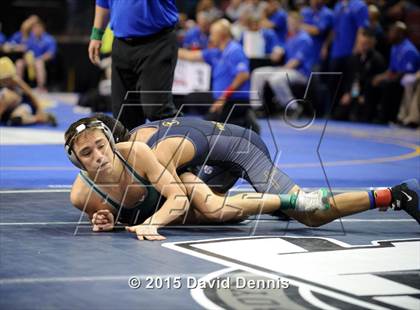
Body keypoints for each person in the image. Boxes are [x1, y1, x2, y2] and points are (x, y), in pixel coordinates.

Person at [65, 116, 420, 240]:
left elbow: (175, 201)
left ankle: (393, 195)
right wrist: (112, 218)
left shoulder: (152, 155)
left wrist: (147, 222)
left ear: (117, 143)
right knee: (201, 214)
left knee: (307, 213)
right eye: (87, 154)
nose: (99, 158)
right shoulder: (127, 153)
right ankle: (273, 205)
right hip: (203, 160)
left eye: (102, 148)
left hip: (239, 147)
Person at [88, 0, 180, 130]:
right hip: (122, 43)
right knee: (124, 115)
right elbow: (103, 3)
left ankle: (190, 141)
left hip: (156, 42)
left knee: (157, 110)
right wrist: (97, 35)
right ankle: (133, 149)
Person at [178, 19, 260, 133]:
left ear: (222, 35)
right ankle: (244, 118)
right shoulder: (216, 52)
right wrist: (169, 48)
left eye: (212, 34)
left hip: (233, 100)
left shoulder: (234, 50)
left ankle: (244, 117)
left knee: (206, 130)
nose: (210, 37)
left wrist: (223, 98)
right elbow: (190, 55)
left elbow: (243, 75)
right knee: (192, 97)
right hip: (220, 99)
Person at [249, 12, 313, 112]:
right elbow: (279, 54)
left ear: (299, 23)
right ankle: (257, 107)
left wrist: (280, 69)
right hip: (286, 69)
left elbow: (296, 62)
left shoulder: (304, 38)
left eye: (293, 23)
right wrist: (276, 54)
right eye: (289, 23)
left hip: (300, 73)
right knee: (257, 73)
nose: (290, 26)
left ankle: (293, 108)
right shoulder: (290, 37)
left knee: (276, 78)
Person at [333, 28, 386, 122]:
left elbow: (375, 81)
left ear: (372, 43)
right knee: (338, 114)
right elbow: (348, 78)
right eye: (361, 43)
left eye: (366, 44)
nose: (363, 46)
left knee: (362, 117)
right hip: (353, 93)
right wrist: (347, 93)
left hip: (368, 95)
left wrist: (364, 95)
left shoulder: (377, 60)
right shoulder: (354, 58)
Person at [372, 22, 420, 123]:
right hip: (397, 77)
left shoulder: (408, 50)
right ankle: (370, 114)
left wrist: (389, 78)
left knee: (391, 84)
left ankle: (390, 117)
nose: (389, 34)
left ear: (400, 34)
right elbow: (391, 69)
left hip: (408, 78)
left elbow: (406, 72)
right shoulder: (394, 47)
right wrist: (381, 77)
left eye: (392, 32)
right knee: (374, 82)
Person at [0, 57, 56, 126]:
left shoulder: (16, 80)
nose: (5, 81)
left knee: (15, 119)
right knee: (6, 96)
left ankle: (39, 118)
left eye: (7, 78)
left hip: (23, 104)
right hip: (8, 109)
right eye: (3, 79)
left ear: (11, 75)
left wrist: (40, 110)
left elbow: (31, 94)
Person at [15, 20, 57, 91]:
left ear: (42, 29)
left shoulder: (49, 39)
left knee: (39, 63)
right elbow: (26, 50)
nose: (36, 30)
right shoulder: (30, 38)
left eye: (38, 28)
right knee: (19, 63)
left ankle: (41, 87)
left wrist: (40, 58)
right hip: (29, 60)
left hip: (43, 61)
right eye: (34, 28)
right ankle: (19, 87)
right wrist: (26, 59)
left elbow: (50, 54)